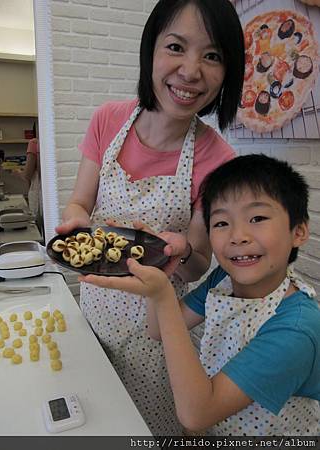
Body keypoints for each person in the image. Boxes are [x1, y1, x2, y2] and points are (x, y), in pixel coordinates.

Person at [57, 0, 245, 435]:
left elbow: (199, 261)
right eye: (176, 46)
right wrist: (73, 224)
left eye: (212, 55)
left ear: (227, 71)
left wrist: (182, 249)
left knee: (146, 429)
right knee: (94, 421)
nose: (191, 70)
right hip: (96, 305)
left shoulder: (218, 158)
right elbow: (79, 204)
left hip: (158, 327)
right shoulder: (109, 120)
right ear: (151, 50)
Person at [83, 154, 320, 436]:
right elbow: (158, 330)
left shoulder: (295, 330)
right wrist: (155, 264)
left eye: (257, 218)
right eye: (221, 223)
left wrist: (162, 296)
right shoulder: (224, 280)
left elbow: (196, 413)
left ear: (299, 231)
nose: (238, 235)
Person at [22, 137, 42, 229]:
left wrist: (17, 172)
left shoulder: (34, 143)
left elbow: (27, 174)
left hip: (38, 190)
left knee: (37, 226)